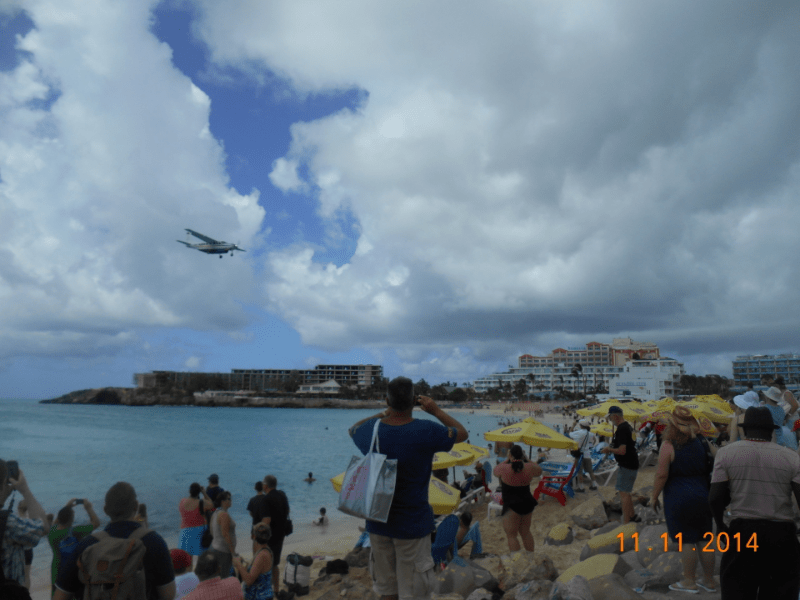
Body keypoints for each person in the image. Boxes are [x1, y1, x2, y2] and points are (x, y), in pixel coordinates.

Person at [349, 376, 468, 600]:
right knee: (414, 593)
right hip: (413, 526)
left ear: (387, 401)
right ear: (414, 401)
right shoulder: (426, 430)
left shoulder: (371, 431)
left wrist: (383, 414)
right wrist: (435, 410)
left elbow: (353, 429)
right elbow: (461, 433)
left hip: (377, 523)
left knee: (386, 592)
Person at [710, 406, 800, 600]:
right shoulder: (791, 458)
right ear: (771, 430)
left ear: (745, 429)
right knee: (781, 591)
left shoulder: (726, 454)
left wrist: (720, 526)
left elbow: (715, 497)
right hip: (781, 536)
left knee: (737, 591)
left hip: (743, 533)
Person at [53, 481, 176, 600]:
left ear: (105, 510)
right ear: (136, 506)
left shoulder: (86, 545)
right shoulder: (154, 541)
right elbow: (168, 594)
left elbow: (60, 596)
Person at [650, 406, 717, 593]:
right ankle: (710, 581)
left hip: (679, 496)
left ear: (671, 425)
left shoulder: (669, 445)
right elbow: (719, 458)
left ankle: (689, 581)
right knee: (704, 538)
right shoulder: (703, 441)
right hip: (704, 494)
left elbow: (661, 475)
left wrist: (654, 497)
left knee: (686, 540)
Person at [0, 460, 48, 588]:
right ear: (4, 484)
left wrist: (2, 497)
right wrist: (25, 490)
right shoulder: (9, 524)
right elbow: (43, 527)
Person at [493, 444, 542, 552]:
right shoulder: (529, 467)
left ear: (510, 455)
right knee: (526, 532)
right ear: (522, 455)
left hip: (511, 505)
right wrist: (527, 459)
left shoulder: (504, 468)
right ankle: (531, 557)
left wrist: (507, 460)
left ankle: (517, 560)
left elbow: (495, 471)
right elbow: (539, 470)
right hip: (527, 503)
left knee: (511, 536)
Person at [47, 498, 100, 596]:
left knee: (57, 595)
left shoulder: (52, 531)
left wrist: (67, 507)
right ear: (71, 519)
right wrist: (88, 508)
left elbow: (57, 521)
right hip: (72, 569)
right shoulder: (76, 531)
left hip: (56, 569)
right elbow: (96, 523)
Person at [601, 405, 640, 523]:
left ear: (615, 416)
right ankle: (633, 516)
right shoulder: (628, 427)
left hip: (627, 464)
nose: (610, 420)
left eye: (610, 418)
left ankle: (627, 522)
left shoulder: (622, 429)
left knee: (623, 494)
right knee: (626, 492)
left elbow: (622, 450)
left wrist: (609, 450)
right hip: (631, 463)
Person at [252, 475, 289, 598]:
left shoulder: (266, 499)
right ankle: (276, 590)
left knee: (263, 565)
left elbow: (266, 520)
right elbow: (287, 512)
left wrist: (256, 531)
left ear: (265, 486)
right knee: (274, 564)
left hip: (269, 538)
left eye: (263, 483)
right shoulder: (282, 496)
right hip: (281, 535)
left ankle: (264, 591)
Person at [233, 523, 273, 599]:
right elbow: (257, 573)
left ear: (254, 536)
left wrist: (238, 565)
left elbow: (249, 581)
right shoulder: (264, 551)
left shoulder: (262, 555)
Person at [178, 483, 213, 565]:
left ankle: (189, 576)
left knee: (187, 560)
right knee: (202, 559)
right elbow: (211, 504)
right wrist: (204, 493)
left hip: (185, 532)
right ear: (199, 492)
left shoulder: (182, 501)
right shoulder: (201, 502)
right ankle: (201, 576)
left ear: (190, 491)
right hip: (199, 533)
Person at [208, 491, 237, 579]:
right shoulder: (224, 515)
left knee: (218, 576)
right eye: (228, 499)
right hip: (223, 551)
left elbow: (212, 531)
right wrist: (233, 553)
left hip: (215, 547)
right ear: (223, 501)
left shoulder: (216, 513)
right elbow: (225, 534)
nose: (230, 500)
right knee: (224, 577)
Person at [569, 419, 598, 491]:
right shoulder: (591, 434)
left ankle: (581, 487)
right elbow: (593, 441)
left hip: (580, 454)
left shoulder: (579, 432)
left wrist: (573, 425)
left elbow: (569, 433)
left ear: (581, 425)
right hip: (587, 454)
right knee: (590, 471)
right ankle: (594, 485)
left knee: (579, 471)